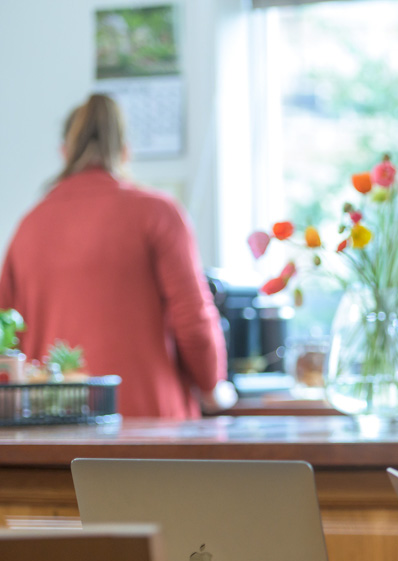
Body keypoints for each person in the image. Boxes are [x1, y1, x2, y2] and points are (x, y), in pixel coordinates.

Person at [0, 94, 228, 418]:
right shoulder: (157, 214)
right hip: (152, 424)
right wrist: (212, 386)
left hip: (56, 425)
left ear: (64, 152)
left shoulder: (29, 225)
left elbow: (6, 338)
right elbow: (193, 320)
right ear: (126, 150)